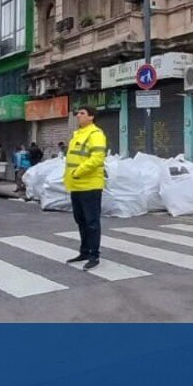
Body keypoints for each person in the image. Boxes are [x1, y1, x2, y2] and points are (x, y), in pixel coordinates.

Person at [63, 107, 108, 270]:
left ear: (91, 117)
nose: (78, 116)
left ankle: (94, 255)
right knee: (81, 221)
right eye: (78, 113)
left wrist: (77, 171)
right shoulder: (78, 134)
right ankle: (84, 251)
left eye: (82, 113)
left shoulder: (96, 134)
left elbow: (97, 159)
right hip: (76, 185)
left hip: (90, 185)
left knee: (92, 222)